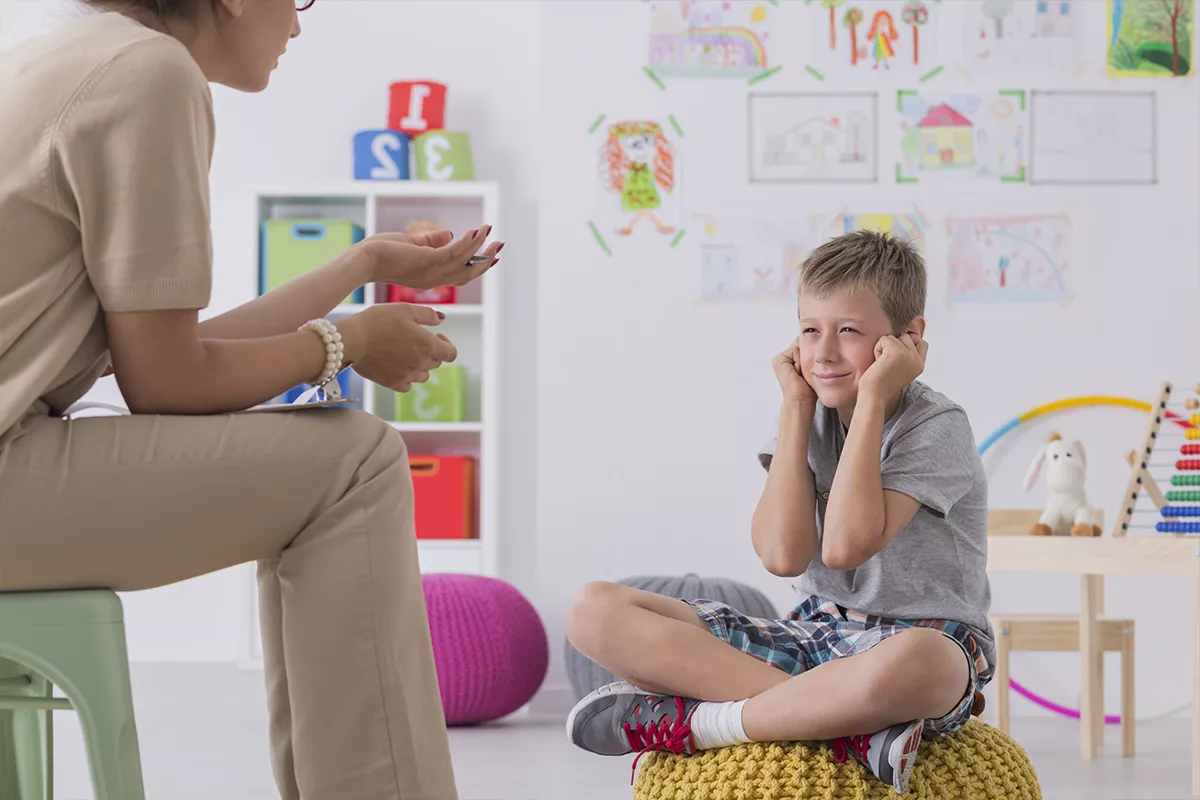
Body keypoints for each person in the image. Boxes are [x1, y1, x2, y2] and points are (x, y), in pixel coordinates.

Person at [0, 2, 501, 799]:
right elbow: (166, 386)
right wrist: (354, 342)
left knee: (335, 462)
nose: (299, 26)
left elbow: (164, 356)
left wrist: (361, 266)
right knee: (355, 462)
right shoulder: (149, 71)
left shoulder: (64, 56)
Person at [564, 230, 993, 795]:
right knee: (593, 610)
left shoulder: (936, 424)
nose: (823, 352)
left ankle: (703, 725)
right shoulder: (807, 407)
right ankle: (843, 728)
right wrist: (795, 405)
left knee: (928, 662)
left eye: (849, 331)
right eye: (810, 330)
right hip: (814, 634)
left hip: (918, 639)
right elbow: (781, 556)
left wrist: (870, 401)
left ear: (908, 338)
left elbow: (844, 546)